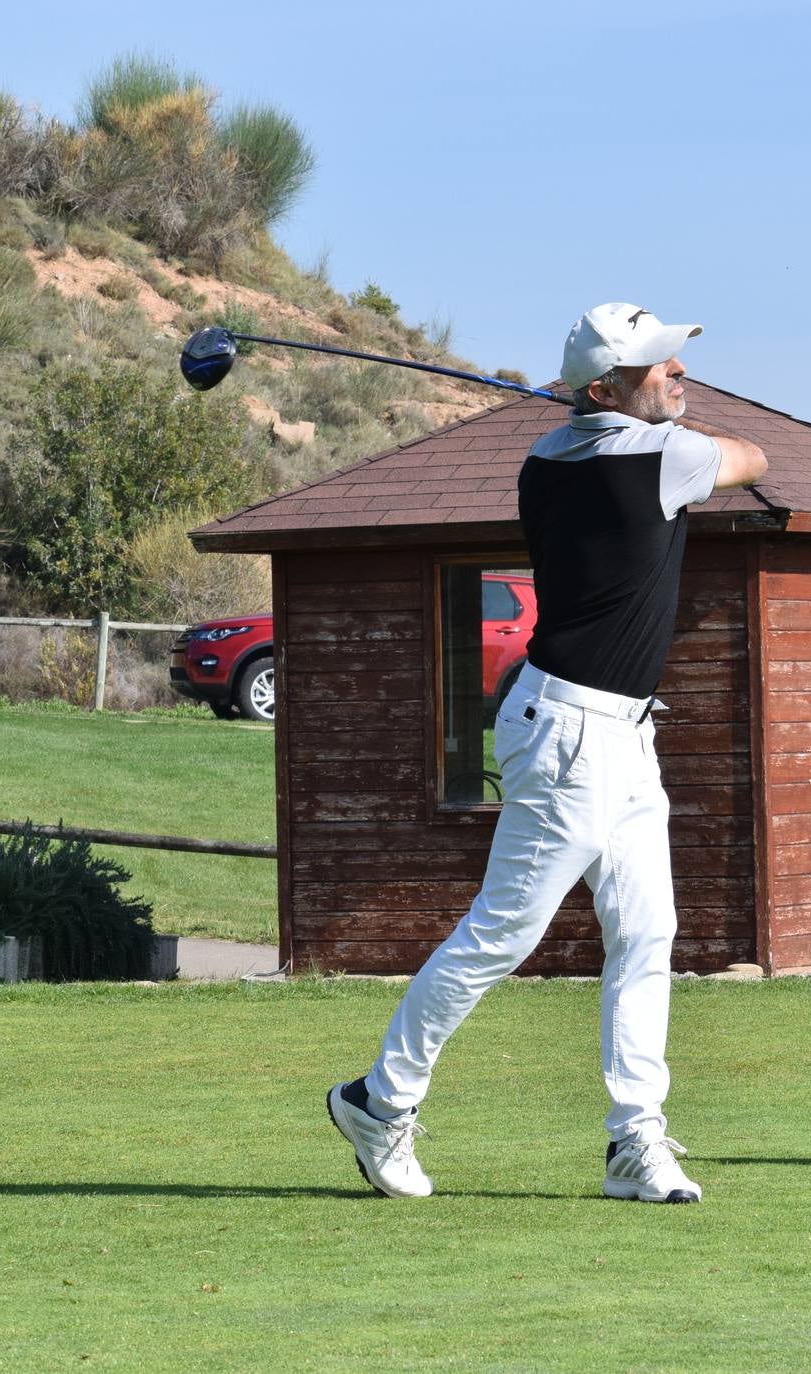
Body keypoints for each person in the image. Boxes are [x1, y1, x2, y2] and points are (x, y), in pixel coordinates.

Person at [328, 304, 767, 1202]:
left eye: (677, 364)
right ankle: (380, 1101)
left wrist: (609, 408)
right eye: (661, 368)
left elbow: (598, 440)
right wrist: (646, 419)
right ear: (608, 387)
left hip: (617, 729)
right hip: (571, 733)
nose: (679, 377)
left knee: (646, 932)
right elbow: (753, 458)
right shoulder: (657, 457)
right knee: (503, 933)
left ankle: (633, 1140)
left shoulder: (546, 457)